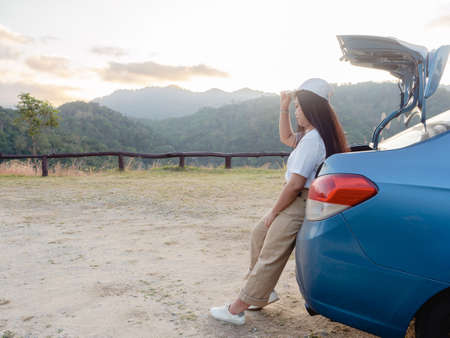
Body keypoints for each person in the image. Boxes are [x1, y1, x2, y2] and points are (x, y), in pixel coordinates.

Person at [210, 78, 349, 325]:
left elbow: (295, 184)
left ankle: (237, 308)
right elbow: (286, 137)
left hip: (300, 201)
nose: (296, 111)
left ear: (311, 108)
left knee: (271, 253)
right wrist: (283, 107)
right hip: (299, 199)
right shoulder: (313, 135)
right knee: (258, 234)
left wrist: (274, 211)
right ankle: (262, 293)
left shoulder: (312, 141)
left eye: (298, 107)